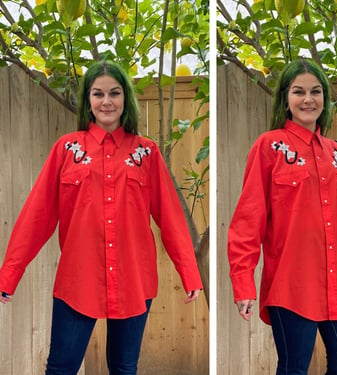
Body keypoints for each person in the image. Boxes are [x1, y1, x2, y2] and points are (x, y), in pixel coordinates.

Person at [0, 60, 202, 375]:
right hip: (78, 280)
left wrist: (189, 273)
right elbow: (35, 217)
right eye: (98, 94)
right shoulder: (66, 150)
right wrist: (9, 275)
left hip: (134, 280)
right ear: (88, 102)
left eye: (114, 93)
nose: (106, 101)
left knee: (124, 368)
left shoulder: (146, 154)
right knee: (60, 368)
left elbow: (172, 219)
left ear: (126, 99)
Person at [227, 58, 337, 375]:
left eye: (316, 91)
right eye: (299, 91)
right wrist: (243, 284)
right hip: (292, 284)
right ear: (286, 99)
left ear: (325, 99)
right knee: (294, 368)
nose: (308, 99)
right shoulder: (269, 147)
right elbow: (247, 222)